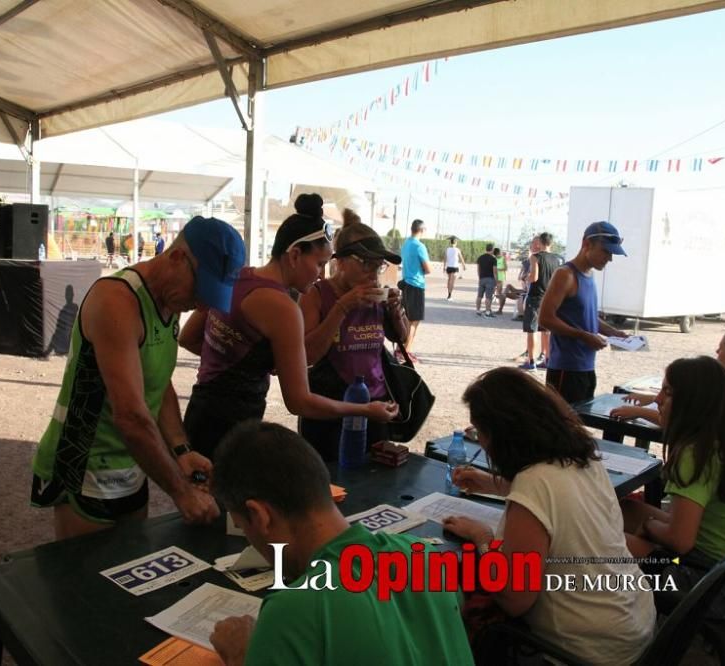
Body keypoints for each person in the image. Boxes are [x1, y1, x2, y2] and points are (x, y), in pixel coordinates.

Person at [30, 216, 245, 540]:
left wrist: (181, 450)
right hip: (85, 464)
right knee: (82, 580)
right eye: (200, 290)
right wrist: (181, 493)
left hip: (129, 463)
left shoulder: (169, 301)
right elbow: (130, 416)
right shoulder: (117, 300)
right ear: (176, 258)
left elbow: (159, 382)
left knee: (127, 569)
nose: (200, 304)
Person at [209, 421, 474, 666]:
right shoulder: (426, 556)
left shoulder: (292, 612)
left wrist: (241, 656)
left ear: (259, 516)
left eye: (244, 528)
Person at [443, 368, 654, 664]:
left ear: (501, 435)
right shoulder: (583, 458)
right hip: (634, 620)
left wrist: (483, 538)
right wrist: (493, 483)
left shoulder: (534, 483)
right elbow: (560, 501)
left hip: (589, 650)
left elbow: (515, 598)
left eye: (480, 433)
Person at [179, 206, 397, 459]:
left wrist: (240, 362)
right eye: (319, 264)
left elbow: (188, 338)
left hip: (199, 412)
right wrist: (366, 410)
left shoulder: (238, 276)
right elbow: (299, 402)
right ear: (294, 255)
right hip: (234, 426)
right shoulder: (283, 308)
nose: (320, 275)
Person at [621, 357, 725, 576]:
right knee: (624, 509)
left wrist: (648, 526)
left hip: (717, 584)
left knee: (598, 544)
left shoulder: (696, 453)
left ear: (692, 402)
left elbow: (680, 541)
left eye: (667, 392)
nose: (657, 399)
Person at [298, 221, 409, 460]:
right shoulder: (315, 295)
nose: (373, 274)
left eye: (378, 266)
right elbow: (308, 355)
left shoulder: (378, 296)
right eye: (366, 264)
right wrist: (343, 306)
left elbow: (400, 337)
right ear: (342, 262)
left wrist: (396, 311)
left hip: (375, 405)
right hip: (329, 408)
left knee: (374, 481)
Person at [613, 327, 725, 460]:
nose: (716, 351)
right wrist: (652, 398)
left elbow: (690, 423)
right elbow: (702, 401)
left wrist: (637, 412)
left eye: (720, 348)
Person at [538, 221, 628, 403]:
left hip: (586, 368)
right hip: (566, 369)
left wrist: (612, 332)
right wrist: (583, 336)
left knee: (577, 425)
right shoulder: (565, 274)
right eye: (606, 251)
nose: (609, 258)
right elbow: (545, 319)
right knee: (560, 426)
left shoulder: (589, 274)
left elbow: (585, 316)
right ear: (587, 244)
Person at [520, 232, 564, 371]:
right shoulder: (557, 260)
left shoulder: (535, 257)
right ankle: (548, 359)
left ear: (540, 243)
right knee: (546, 331)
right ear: (551, 243)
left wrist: (526, 277)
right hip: (549, 297)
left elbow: (534, 277)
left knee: (531, 330)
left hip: (535, 297)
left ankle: (531, 361)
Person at [398, 219, 430, 359]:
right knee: (414, 320)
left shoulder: (406, 244)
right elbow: (427, 268)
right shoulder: (419, 246)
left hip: (405, 283)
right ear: (422, 231)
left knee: (407, 318)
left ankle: (403, 349)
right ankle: (406, 351)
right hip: (416, 284)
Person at [474, 243, 497, 317]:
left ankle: (478, 310)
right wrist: (496, 281)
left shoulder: (480, 258)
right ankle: (487, 312)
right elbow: (495, 271)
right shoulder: (493, 259)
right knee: (488, 297)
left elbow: (478, 269)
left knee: (479, 296)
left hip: (482, 278)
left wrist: (480, 277)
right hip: (490, 279)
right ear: (492, 249)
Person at [494, 247, 508, 313]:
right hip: (494, 277)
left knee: (499, 292)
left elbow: (506, 268)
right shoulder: (494, 259)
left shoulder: (503, 259)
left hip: (500, 278)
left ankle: (500, 309)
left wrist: (498, 269)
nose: (499, 255)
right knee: (494, 291)